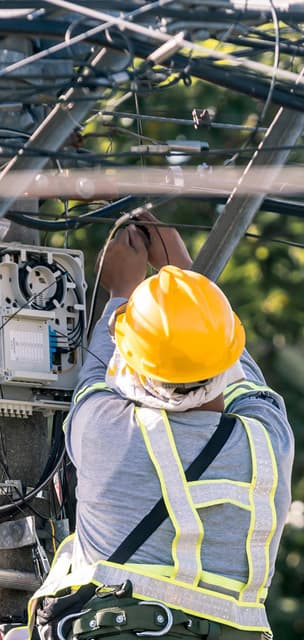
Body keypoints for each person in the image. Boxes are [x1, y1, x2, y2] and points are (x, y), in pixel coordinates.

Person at [23, 210, 294, 640]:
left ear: (134, 366)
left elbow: (96, 375)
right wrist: (187, 284)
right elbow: (236, 368)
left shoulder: (106, 432)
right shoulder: (269, 439)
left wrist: (120, 291)